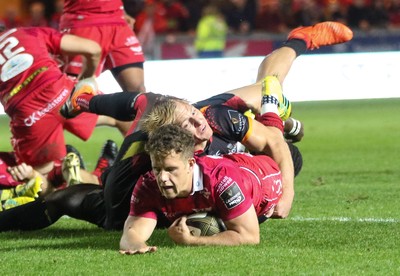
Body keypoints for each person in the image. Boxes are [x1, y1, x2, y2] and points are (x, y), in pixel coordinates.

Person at [0, 21, 353, 232]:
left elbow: (273, 150)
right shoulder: (183, 131)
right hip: (125, 191)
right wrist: (85, 101)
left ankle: (299, 40)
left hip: (193, 152)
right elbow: (131, 106)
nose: (198, 120)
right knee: (79, 199)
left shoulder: (223, 129)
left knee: (269, 88)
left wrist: (285, 193)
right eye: (190, 119)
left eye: (192, 114)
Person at [120, 124, 283, 253]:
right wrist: (136, 244)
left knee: (275, 137)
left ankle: (275, 110)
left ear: (190, 164)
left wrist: (191, 241)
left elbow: (249, 236)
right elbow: (131, 232)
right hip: (225, 165)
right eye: (157, 169)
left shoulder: (222, 180)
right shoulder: (149, 184)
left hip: (263, 176)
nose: (162, 178)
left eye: (170, 169)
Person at [0, 26, 124, 194]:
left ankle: (73, 180)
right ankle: (145, 167)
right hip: (61, 92)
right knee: (120, 115)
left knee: (40, 176)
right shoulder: (27, 33)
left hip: (28, 113)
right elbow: (93, 49)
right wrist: (87, 78)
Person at [59, 0, 146, 93]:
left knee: (138, 91)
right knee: (76, 93)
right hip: (84, 21)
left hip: (117, 21)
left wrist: (122, 11)